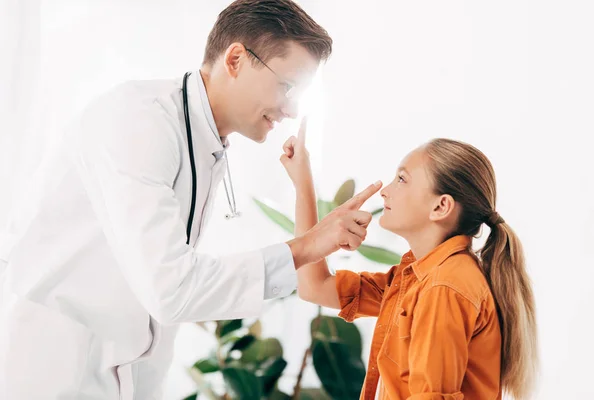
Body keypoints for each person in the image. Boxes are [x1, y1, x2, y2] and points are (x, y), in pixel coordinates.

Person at [0, 1, 378, 399]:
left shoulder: (204, 140)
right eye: (287, 87)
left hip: (121, 374)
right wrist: (307, 245)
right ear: (235, 59)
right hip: (55, 369)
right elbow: (172, 289)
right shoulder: (139, 121)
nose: (291, 109)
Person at [280, 130, 539, 399]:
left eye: (402, 179)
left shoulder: (444, 287)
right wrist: (304, 185)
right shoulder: (416, 278)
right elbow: (314, 286)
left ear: (441, 207)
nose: (386, 191)